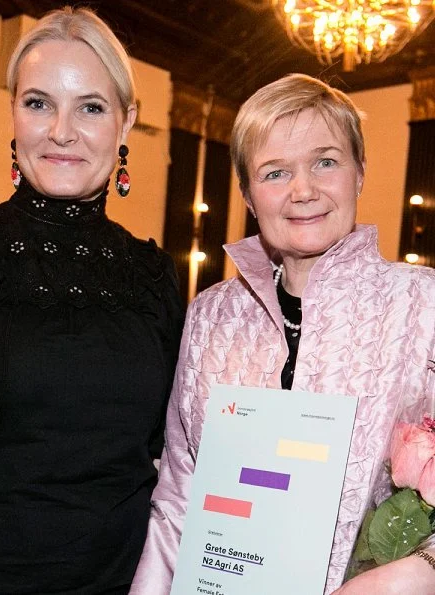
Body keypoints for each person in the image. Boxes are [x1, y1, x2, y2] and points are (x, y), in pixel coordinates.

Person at [130, 73, 435, 595]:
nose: (303, 190)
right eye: (274, 172)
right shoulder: (211, 317)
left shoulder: (423, 306)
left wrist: (421, 570)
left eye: (325, 161)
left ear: (360, 171)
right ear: (247, 194)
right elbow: (180, 493)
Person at [0, 7, 182, 594]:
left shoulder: (155, 276)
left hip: (115, 583)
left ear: (125, 122)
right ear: (14, 112)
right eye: (38, 103)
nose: (62, 131)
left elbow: (171, 453)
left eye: (90, 106)